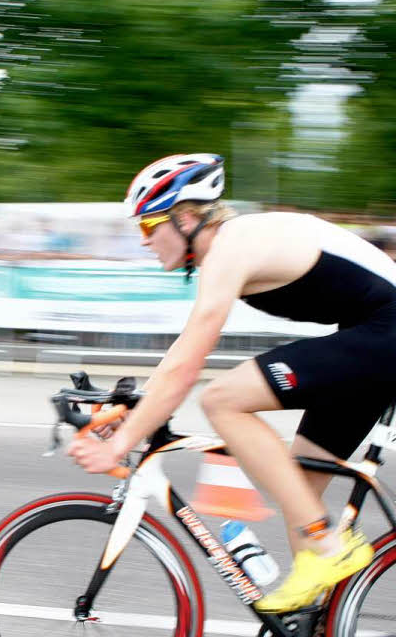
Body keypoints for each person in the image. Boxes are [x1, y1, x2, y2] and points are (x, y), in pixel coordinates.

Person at [68, 152, 380, 613]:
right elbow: (180, 352)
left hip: (382, 334)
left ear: (187, 217)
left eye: (149, 226)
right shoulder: (233, 246)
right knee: (301, 491)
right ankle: (320, 625)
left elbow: (191, 361)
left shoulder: (233, 245)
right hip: (369, 337)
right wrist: (137, 407)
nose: (145, 241)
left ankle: (331, 548)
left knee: (224, 400)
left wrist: (121, 444)